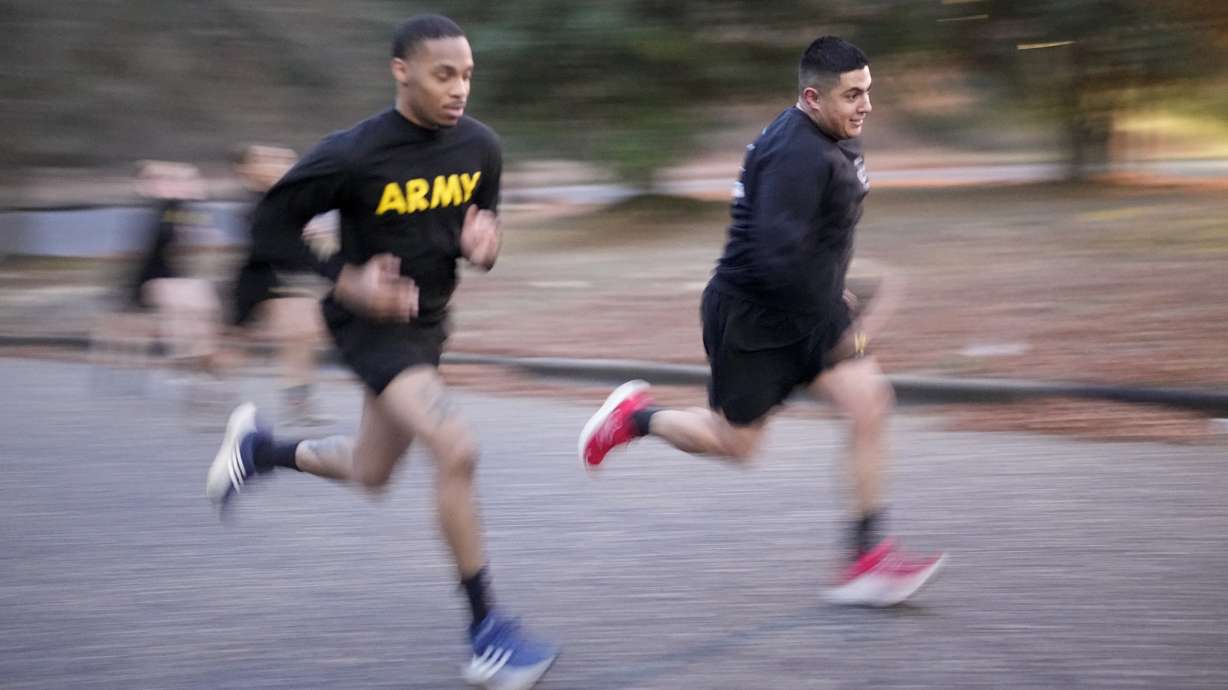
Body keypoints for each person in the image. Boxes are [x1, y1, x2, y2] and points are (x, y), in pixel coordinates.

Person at [205, 15, 557, 689]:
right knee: (456, 447)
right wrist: (346, 279)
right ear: (402, 70)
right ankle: (487, 632)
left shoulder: (481, 147)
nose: (459, 89)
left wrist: (484, 249)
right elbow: (269, 222)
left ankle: (258, 451)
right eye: (443, 74)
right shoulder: (355, 153)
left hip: (426, 322)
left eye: (467, 76)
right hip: (367, 324)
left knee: (371, 472)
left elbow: (479, 231)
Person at [579, 36, 945, 607]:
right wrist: (853, 315)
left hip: (810, 311)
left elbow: (810, 236)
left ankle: (864, 560)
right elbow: (778, 262)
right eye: (853, 94)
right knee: (737, 445)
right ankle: (634, 418)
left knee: (871, 402)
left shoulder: (830, 134)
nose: (866, 105)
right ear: (812, 97)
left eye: (868, 91)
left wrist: (835, 287)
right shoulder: (797, 155)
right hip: (754, 322)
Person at [230, 144, 334, 426]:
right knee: (230, 350)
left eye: (285, 161)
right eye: (268, 160)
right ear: (248, 170)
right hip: (255, 281)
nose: (279, 166)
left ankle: (298, 402)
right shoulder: (252, 203)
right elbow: (266, 243)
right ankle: (206, 381)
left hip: (290, 282)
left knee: (302, 334)